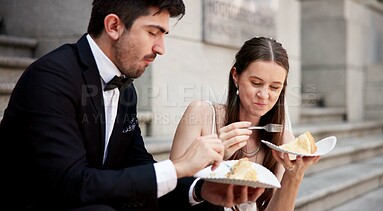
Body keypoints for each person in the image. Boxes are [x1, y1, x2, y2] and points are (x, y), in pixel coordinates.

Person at [0, 1, 265, 210]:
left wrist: (199, 190)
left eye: (164, 35)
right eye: (153, 32)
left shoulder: (125, 88)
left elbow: (138, 167)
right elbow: (71, 185)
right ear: (114, 26)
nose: (161, 48)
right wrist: (178, 166)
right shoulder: (50, 79)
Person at [170, 37, 321, 211]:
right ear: (236, 76)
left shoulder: (283, 139)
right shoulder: (202, 115)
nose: (264, 95)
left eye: (274, 87)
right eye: (256, 83)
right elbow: (173, 193)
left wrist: (294, 176)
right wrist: (218, 159)